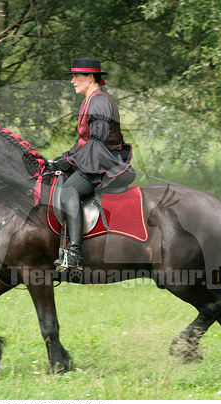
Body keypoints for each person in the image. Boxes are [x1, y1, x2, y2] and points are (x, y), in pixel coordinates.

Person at [52, 57, 134, 270]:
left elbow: (98, 142)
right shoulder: (91, 99)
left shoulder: (99, 101)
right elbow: (85, 141)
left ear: (90, 77)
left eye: (76, 77)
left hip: (103, 162)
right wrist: (63, 158)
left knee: (69, 192)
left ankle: (75, 253)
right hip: (93, 159)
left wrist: (71, 161)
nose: (72, 81)